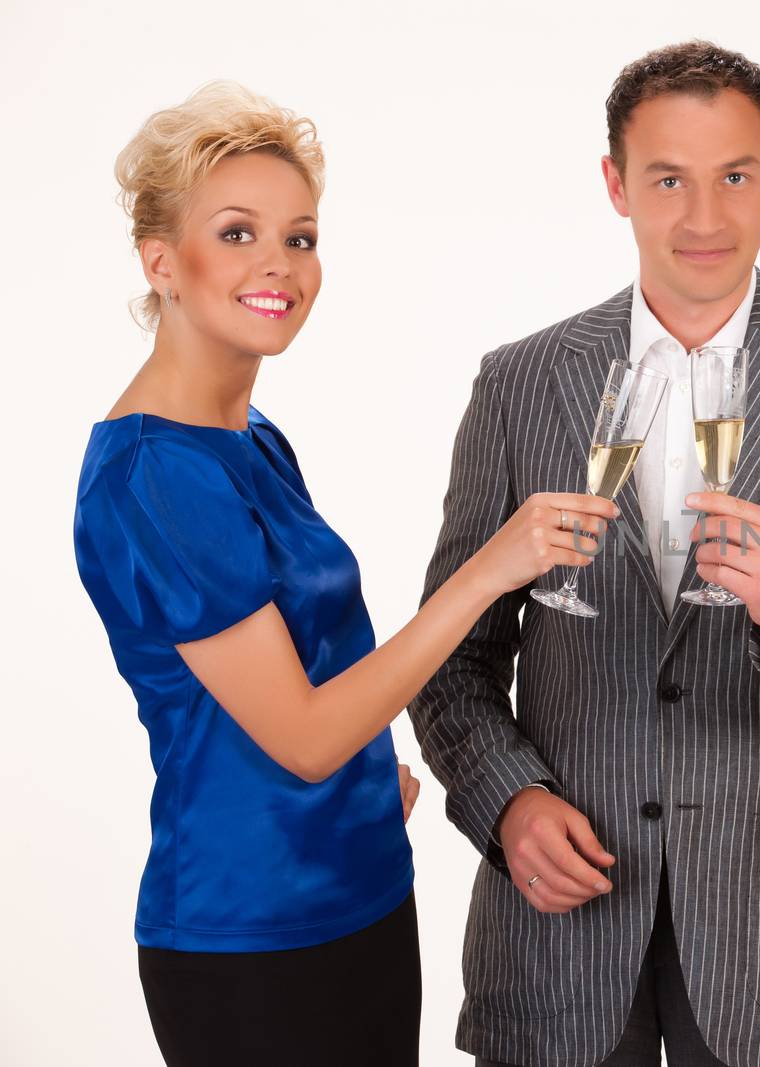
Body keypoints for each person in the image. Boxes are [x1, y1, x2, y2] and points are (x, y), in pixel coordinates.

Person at [409, 41, 760, 1067]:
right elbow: (451, 655)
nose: (703, 218)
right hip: (558, 938)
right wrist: (506, 802)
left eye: (734, 177)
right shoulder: (521, 382)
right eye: (668, 178)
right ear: (616, 185)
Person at [72, 82, 616, 1067]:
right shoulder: (156, 474)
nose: (278, 264)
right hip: (252, 938)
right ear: (161, 261)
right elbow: (310, 737)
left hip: (361, 891)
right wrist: (490, 569)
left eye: (301, 236)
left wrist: (371, 776)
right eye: (236, 233)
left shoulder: (249, 434)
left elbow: (308, 682)